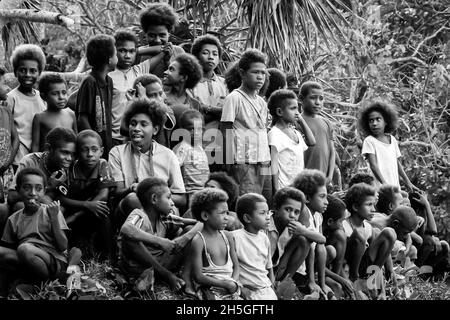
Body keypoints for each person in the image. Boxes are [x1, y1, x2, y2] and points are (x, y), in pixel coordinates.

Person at [108, 99, 186, 228]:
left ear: (155, 130)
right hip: (129, 213)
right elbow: (116, 193)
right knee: (133, 198)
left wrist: (157, 198)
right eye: (133, 124)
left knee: (173, 210)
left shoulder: (167, 155)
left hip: (162, 210)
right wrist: (131, 188)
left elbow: (182, 198)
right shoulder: (117, 152)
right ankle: (155, 238)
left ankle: (155, 237)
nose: (136, 129)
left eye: (143, 124)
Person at [118, 177, 202, 292]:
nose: (172, 203)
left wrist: (184, 238)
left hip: (161, 263)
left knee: (190, 230)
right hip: (138, 269)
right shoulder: (139, 215)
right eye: (168, 197)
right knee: (130, 239)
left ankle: (184, 277)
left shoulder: (164, 218)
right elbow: (126, 228)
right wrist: (160, 241)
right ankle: (167, 276)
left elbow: (201, 223)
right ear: (154, 199)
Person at [0, 168, 69, 287]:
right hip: (28, 258)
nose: (33, 193)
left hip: (54, 262)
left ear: (44, 191)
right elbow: (9, 249)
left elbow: (63, 246)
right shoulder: (13, 219)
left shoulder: (51, 212)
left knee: (24, 249)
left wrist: (53, 219)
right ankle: (23, 281)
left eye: (38, 189)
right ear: (18, 190)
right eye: (26, 188)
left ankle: (46, 284)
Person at [220, 49, 272, 202]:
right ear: (242, 73)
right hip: (244, 162)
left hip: (263, 161)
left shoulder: (261, 102)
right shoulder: (234, 98)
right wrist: (229, 161)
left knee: (264, 203)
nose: (260, 77)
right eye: (255, 72)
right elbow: (226, 129)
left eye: (263, 72)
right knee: (248, 203)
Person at [57, 130, 115, 259]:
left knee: (103, 211)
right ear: (77, 152)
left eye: (94, 150)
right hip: (75, 208)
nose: (90, 154)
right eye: (85, 150)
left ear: (101, 151)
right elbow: (61, 198)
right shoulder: (69, 168)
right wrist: (86, 205)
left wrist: (77, 215)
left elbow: (103, 195)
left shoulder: (102, 164)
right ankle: (64, 254)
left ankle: (108, 257)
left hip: (89, 212)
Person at [344, 183, 398, 298]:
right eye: (369, 205)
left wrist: (382, 292)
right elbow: (339, 262)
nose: (373, 209)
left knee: (389, 232)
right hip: (349, 269)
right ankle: (356, 282)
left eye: (373, 204)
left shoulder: (368, 227)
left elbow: (376, 257)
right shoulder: (344, 226)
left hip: (366, 269)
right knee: (359, 234)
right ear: (355, 207)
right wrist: (356, 290)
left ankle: (372, 281)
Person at [109, 30, 160, 146]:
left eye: (131, 51)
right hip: (114, 136)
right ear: (114, 51)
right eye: (122, 51)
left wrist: (138, 50)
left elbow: (162, 49)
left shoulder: (139, 70)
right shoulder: (108, 75)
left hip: (137, 134)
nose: (127, 56)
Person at [189, 188, 241, 300]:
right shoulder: (199, 241)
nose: (227, 217)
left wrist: (233, 282)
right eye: (222, 213)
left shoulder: (228, 236)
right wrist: (225, 284)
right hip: (210, 289)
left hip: (230, 287)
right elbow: (198, 276)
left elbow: (236, 267)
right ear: (205, 216)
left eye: (227, 212)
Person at [7, 128, 77, 210]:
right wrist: (48, 186)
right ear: (48, 148)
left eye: (73, 154)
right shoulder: (31, 161)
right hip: (31, 207)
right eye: (64, 152)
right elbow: (11, 197)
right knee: (20, 206)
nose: (69, 158)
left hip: (54, 209)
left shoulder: (72, 167)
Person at [292, 169, 334, 299]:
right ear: (307, 198)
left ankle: (317, 281)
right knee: (311, 242)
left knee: (330, 250)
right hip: (298, 266)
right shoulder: (304, 211)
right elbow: (310, 245)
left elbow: (321, 246)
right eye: (322, 197)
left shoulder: (318, 215)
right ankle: (306, 281)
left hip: (311, 262)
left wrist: (321, 283)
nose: (326, 201)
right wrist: (311, 281)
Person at [358, 100, 419, 191]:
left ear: (386, 121)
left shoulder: (392, 139)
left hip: (394, 187)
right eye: (371, 120)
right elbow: (373, 165)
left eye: (378, 119)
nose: (374, 123)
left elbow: (396, 163)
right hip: (380, 189)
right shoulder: (369, 141)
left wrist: (407, 182)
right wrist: (385, 184)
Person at [76, 34, 118, 157]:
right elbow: (82, 118)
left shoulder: (109, 81)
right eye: (115, 54)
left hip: (106, 145)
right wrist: (93, 144)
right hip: (92, 149)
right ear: (109, 59)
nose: (117, 58)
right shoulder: (89, 82)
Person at [267, 89, 315, 191]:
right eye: (293, 109)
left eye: (297, 109)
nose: (297, 113)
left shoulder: (295, 133)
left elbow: (311, 142)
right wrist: (276, 190)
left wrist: (301, 121)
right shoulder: (274, 134)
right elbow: (274, 166)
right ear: (279, 111)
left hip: (298, 188)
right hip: (284, 188)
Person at [6, 44, 46, 165]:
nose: (28, 74)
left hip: (39, 158)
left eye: (33, 71)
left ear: (39, 73)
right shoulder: (11, 98)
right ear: (15, 72)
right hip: (17, 160)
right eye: (23, 70)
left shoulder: (42, 97)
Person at [232, 193, 277, 300]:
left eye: (268, 213)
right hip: (244, 289)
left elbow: (268, 266)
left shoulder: (264, 238)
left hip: (264, 288)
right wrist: (240, 288)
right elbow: (230, 268)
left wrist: (272, 288)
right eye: (262, 213)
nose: (268, 217)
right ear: (247, 218)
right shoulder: (235, 237)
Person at [300, 81, 336, 186]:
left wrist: (329, 176)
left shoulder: (327, 123)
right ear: (301, 99)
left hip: (323, 179)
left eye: (321, 98)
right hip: (303, 179)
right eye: (313, 98)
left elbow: (332, 151)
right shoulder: (298, 122)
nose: (318, 102)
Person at [190, 34, 228, 131]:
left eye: (215, 54)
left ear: (219, 59)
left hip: (222, 138)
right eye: (205, 53)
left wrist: (204, 108)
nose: (211, 57)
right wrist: (219, 112)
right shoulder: (190, 83)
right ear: (195, 57)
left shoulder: (225, 83)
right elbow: (192, 114)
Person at [172, 110, 210, 208]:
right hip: (191, 192)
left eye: (199, 129)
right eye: (191, 129)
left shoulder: (200, 148)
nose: (195, 132)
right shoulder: (182, 148)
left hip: (204, 190)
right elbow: (174, 168)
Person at [137, 2, 185, 79]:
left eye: (162, 35)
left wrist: (167, 62)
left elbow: (182, 81)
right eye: (152, 35)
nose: (157, 40)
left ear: (169, 33)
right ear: (145, 34)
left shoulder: (179, 52)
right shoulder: (140, 54)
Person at [31, 74, 77, 152]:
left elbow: (76, 139)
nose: (61, 97)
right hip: (48, 160)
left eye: (64, 92)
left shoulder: (71, 114)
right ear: (43, 96)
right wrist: (34, 162)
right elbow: (35, 145)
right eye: (55, 94)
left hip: (68, 160)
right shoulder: (40, 118)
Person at [321, 195, 355, 299]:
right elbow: (315, 264)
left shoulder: (333, 232)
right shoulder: (317, 233)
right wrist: (340, 280)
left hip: (327, 270)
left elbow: (339, 267)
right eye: (341, 221)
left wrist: (345, 280)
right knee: (337, 286)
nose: (342, 226)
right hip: (313, 271)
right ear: (330, 222)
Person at [410, 192, 450, 277]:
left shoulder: (422, 213)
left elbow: (432, 231)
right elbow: (432, 231)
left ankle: (426, 274)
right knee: (429, 240)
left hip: (421, 247)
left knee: (444, 245)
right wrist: (427, 206)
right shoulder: (410, 212)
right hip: (413, 245)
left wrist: (427, 206)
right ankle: (414, 273)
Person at [163, 53, 202, 126]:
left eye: (171, 69)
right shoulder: (160, 97)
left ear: (183, 78)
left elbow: (197, 134)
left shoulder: (195, 105)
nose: (165, 72)